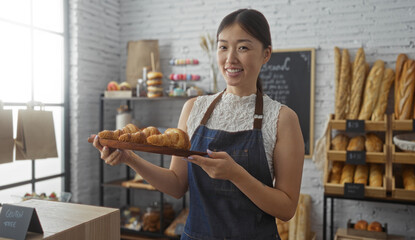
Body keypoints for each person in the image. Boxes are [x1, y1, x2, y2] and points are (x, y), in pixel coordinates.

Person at [93, 8, 304, 240]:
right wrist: (129, 158)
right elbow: (176, 185)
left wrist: (236, 175)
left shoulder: (283, 119)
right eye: (223, 47)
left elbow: (286, 209)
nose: (230, 58)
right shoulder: (194, 108)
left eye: (243, 47)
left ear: (266, 54)